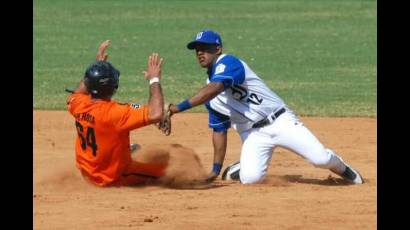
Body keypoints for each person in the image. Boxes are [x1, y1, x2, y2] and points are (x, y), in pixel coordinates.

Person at [168, 29, 364, 184]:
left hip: (280, 121)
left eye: (205, 47)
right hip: (254, 134)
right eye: (197, 49)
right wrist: (215, 170)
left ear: (218, 49)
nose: (200, 52)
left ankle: (342, 167)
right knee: (250, 179)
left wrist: (178, 107)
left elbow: (216, 87)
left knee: (320, 160)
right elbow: (219, 131)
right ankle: (240, 168)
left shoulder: (229, 63)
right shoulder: (209, 98)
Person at [66, 40, 168, 186]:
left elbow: (79, 90)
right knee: (169, 171)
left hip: (86, 171)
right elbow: (156, 113)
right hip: (111, 176)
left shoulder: (79, 104)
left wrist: (97, 67)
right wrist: (154, 79)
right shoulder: (116, 114)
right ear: (113, 86)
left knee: (133, 148)